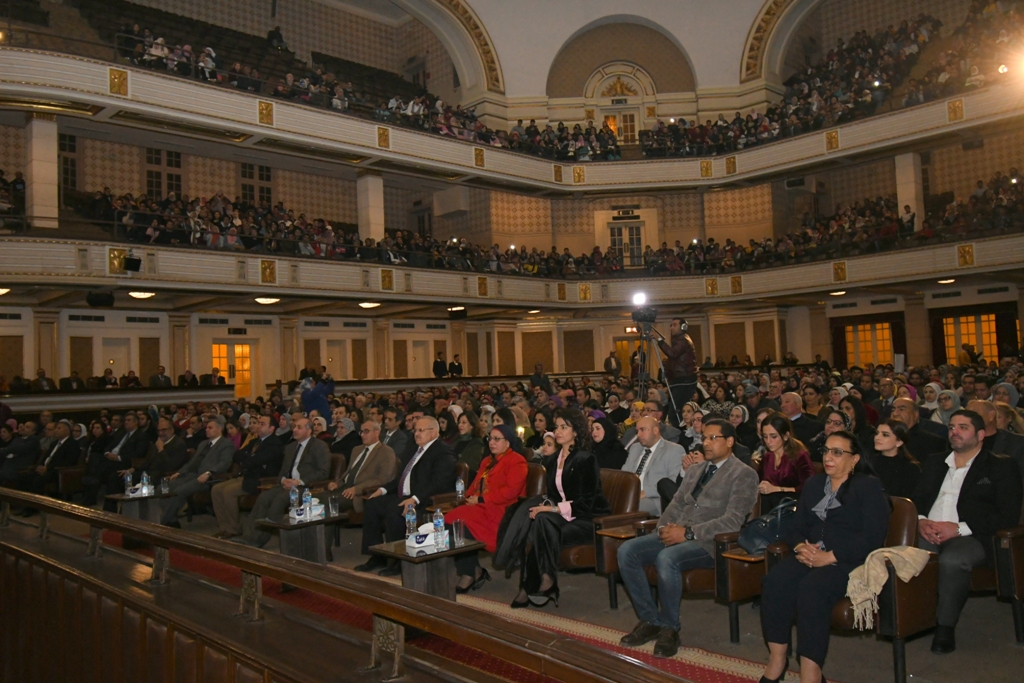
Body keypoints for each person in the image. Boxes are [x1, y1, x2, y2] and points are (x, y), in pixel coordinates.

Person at [618, 419, 758, 658]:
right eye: (704, 438)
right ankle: (650, 620)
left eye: (713, 438)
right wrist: (663, 527)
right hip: (677, 532)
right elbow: (676, 504)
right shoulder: (695, 470)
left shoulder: (744, 474)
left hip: (708, 542)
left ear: (730, 441)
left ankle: (670, 628)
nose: (706, 443)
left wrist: (688, 533)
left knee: (667, 558)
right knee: (626, 551)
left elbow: (733, 521)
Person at [759, 430, 890, 683]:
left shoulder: (868, 487)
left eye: (838, 452)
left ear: (854, 459)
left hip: (848, 560)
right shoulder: (814, 484)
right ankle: (777, 660)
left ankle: (811, 672)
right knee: (775, 580)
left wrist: (831, 556)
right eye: (827, 451)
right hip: (810, 555)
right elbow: (795, 527)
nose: (829, 457)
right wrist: (799, 547)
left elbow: (872, 537)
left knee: (813, 588)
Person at [913, 409, 1023, 654]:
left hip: (973, 535)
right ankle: (906, 620)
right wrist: (920, 521)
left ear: (981, 434)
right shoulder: (935, 461)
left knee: (953, 560)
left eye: (963, 427)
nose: (955, 432)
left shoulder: (1000, 465)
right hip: (928, 531)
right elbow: (918, 498)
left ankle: (944, 628)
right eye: (952, 427)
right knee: (902, 553)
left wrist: (959, 528)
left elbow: (1007, 514)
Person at [510, 408, 609, 608]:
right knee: (538, 521)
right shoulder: (553, 460)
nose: (558, 431)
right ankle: (545, 580)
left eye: (565, 427)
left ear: (576, 432)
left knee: (543, 521)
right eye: (557, 427)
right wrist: (546, 506)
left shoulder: (585, 459)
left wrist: (550, 510)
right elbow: (554, 497)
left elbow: (584, 504)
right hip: (563, 518)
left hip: (588, 520)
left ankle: (533, 584)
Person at [354, 416, 456, 575]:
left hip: (426, 500)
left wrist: (415, 499)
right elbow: (402, 478)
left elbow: (439, 483)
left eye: (421, 430)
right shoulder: (413, 449)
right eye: (415, 430)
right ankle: (377, 555)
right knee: (372, 504)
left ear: (434, 432)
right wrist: (383, 489)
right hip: (405, 496)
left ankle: (397, 561)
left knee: (394, 511)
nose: (416, 434)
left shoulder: (443, 451)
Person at [445, 424, 528, 592]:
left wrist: (482, 499)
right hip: (482, 506)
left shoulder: (516, 460)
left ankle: (470, 573)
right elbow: (475, 485)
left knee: (460, 522)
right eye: (490, 438)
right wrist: (466, 499)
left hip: (503, 510)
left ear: (508, 442)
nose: (492, 443)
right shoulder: (487, 461)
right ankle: (470, 569)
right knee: (450, 520)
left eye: (497, 439)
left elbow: (511, 491)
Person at [236, 416, 331, 546]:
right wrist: (283, 480)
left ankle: (260, 538)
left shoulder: (319, 446)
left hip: (306, 487)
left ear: (309, 431)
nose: (295, 430)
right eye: (294, 427)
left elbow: (323, 472)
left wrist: (299, 482)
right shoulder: (290, 447)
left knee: (280, 499)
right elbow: (283, 471)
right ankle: (249, 536)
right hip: (288, 485)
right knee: (264, 497)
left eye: (299, 427)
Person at [209, 415, 285, 538]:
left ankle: (233, 528)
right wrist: (249, 459)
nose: (258, 426)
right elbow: (237, 454)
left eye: (262, 424)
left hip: (261, 480)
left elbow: (257, 460)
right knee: (216, 489)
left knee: (228, 491)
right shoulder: (255, 441)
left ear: (271, 428)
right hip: (247, 475)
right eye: (258, 423)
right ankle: (224, 527)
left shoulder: (274, 444)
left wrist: (248, 459)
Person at [159, 416, 236, 527]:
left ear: (219, 429)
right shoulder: (203, 444)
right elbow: (192, 462)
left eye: (210, 428)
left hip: (206, 478)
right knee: (164, 487)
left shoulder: (226, 444)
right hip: (191, 474)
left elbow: (224, 463)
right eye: (206, 428)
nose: (206, 430)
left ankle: (161, 522)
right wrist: (179, 472)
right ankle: (172, 520)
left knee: (179, 491)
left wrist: (209, 472)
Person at [326, 420, 398, 516]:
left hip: (359, 494)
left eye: (366, 431)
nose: (362, 435)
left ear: (377, 432)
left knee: (326, 503)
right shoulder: (357, 449)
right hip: (343, 488)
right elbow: (348, 473)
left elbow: (382, 480)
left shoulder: (386, 452)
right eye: (361, 431)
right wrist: (337, 483)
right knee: (314, 498)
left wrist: (356, 489)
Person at [621, 417, 684, 516]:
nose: (638, 435)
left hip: (654, 498)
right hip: (630, 494)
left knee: (627, 506)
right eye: (637, 431)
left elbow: (673, 483)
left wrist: (645, 492)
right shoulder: (635, 448)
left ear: (655, 430)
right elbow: (624, 474)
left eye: (643, 430)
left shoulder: (674, 450)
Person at [758, 415, 814, 511]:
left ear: (785, 436)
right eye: (765, 436)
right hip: (770, 505)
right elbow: (758, 479)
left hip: (793, 505)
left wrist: (777, 489)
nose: (768, 441)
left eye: (773, 436)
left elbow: (808, 488)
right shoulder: (767, 457)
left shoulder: (800, 456)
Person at [654, 318, 698, 426]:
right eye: (671, 325)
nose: (671, 327)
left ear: (683, 327)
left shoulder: (683, 340)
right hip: (680, 379)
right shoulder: (679, 340)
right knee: (675, 410)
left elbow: (673, 353)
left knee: (676, 411)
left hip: (684, 380)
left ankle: (679, 431)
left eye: (674, 325)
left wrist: (659, 340)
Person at [872, 419, 922, 498]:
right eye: (877, 433)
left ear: (899, 442)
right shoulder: (868, 462)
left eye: (885, 435)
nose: (877, 437)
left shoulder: (910, 468)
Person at [453, 410, 487, 478]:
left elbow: (471, 466)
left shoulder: (477, 444)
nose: (460, 425)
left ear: (472, 425)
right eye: (459, 422)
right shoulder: (456, 440)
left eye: (464, 422)